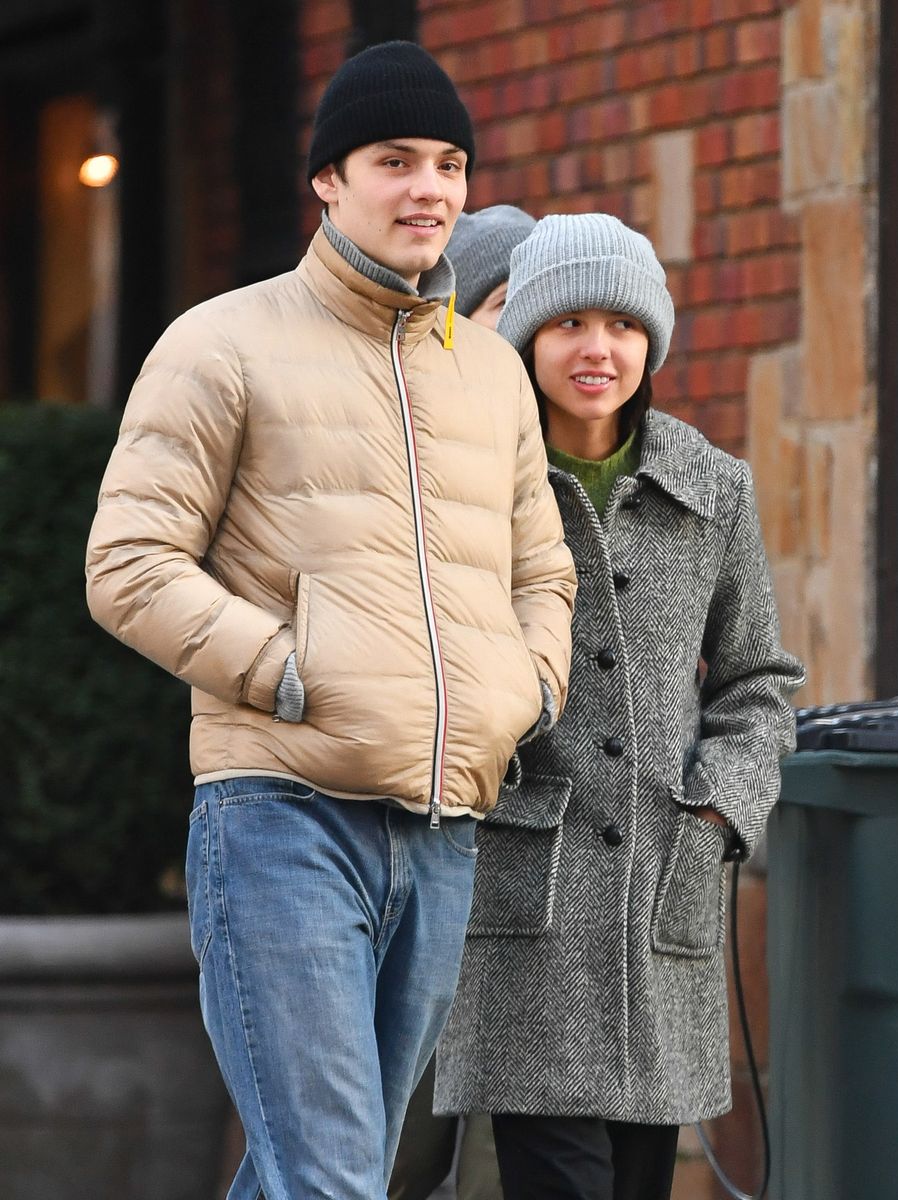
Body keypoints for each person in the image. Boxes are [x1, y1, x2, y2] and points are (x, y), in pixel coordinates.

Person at [85, 42, 576, 1200]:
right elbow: (127, 563)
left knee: (314, 1173)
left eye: (449, 163)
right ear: (328, 181)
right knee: (336, 1177)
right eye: (394, 160)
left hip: (444, 826)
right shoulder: (223, 342)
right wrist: (287, 670)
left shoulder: (491, 378)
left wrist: (529, 692)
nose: (430, 189)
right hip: (279, 817)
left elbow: (541, 572)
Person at [434, 213, 806, 1200]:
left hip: (660, 902)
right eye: (570, 324)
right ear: (528, 339)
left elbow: (758, 679)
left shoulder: (712, 489)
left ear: (653, 342)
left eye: (624, 326)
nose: (599, 349)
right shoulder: (471, 481)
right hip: (526, 906)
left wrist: (723, 807)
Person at [389, 201, 536, 1200]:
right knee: (387, 1148)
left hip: (544, 877)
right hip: (418, 844)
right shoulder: (403, 452)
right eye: (503, 306)